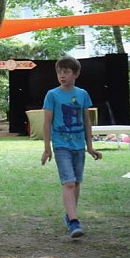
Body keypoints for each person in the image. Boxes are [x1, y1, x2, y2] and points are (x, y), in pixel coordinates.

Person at [42, 56, 102, 238]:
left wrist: (90, 147)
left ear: (76, 74)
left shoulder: (82, 94)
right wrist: (47, 148)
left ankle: (70, 216)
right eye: (59, 72)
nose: (62, 75)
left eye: (66, 72)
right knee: (68, 182)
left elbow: (86, 122)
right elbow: (47, 122)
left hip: (78, 146)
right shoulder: (52, 95)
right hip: (61, 145)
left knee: (75, 183)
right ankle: (74, 221)